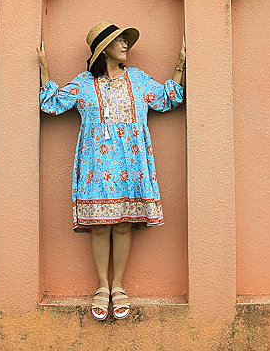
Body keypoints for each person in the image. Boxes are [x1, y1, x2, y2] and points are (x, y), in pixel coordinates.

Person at [38, 20, 185, 321]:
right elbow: (51, 104)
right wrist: (43, 68)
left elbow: (170, 99)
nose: (125, 46)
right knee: (101, 225)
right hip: (96, 166)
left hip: (131, 165)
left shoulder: (140, 80)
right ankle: (102, 287)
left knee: (122, 224)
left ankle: (118, 285)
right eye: (119, 42)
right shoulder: (83, 84)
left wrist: (181, 65)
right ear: (103, 50)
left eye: (124, 41)